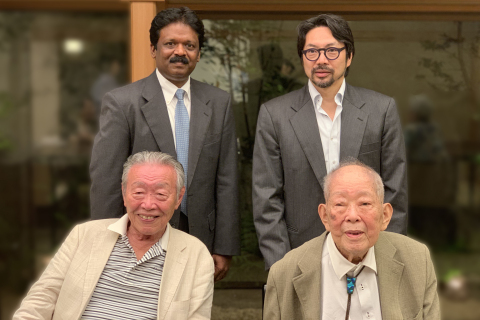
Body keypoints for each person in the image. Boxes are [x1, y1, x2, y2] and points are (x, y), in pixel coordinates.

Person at [89, 7, 239, 281]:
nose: (180, 52)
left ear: (198, 52)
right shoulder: (123, 103)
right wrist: (106, 243)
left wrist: (224, 246)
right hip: (138, 234)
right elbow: (107, 180)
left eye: (189, 45)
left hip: (201, 238)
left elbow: (227, 179)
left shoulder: (219, 103)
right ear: (153, 49)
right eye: (170, 43)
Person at [252, 13, 407, 269]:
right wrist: (281, 266)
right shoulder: (274, 115)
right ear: (302, 57)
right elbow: (266, 199)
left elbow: (395, 196)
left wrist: (384, 261)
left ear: (349, 56)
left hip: (367, 256)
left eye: (332, 51)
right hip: (299, 256)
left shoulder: (381, 110)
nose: (321, 60)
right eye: (311, 51)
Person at [14, 151, 214, 320]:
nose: (148, 204)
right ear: (124, 192)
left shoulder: (195, 254)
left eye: (161, 194)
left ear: (178, 198)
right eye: (138, 192)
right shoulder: (84, 235)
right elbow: (42, 299)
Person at [263, 160, 439, 320]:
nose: (353, 216)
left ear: (385, 216)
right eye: (340, 204)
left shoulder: (417, 260)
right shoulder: (284, 275)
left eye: (364, 203)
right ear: (325, 216)